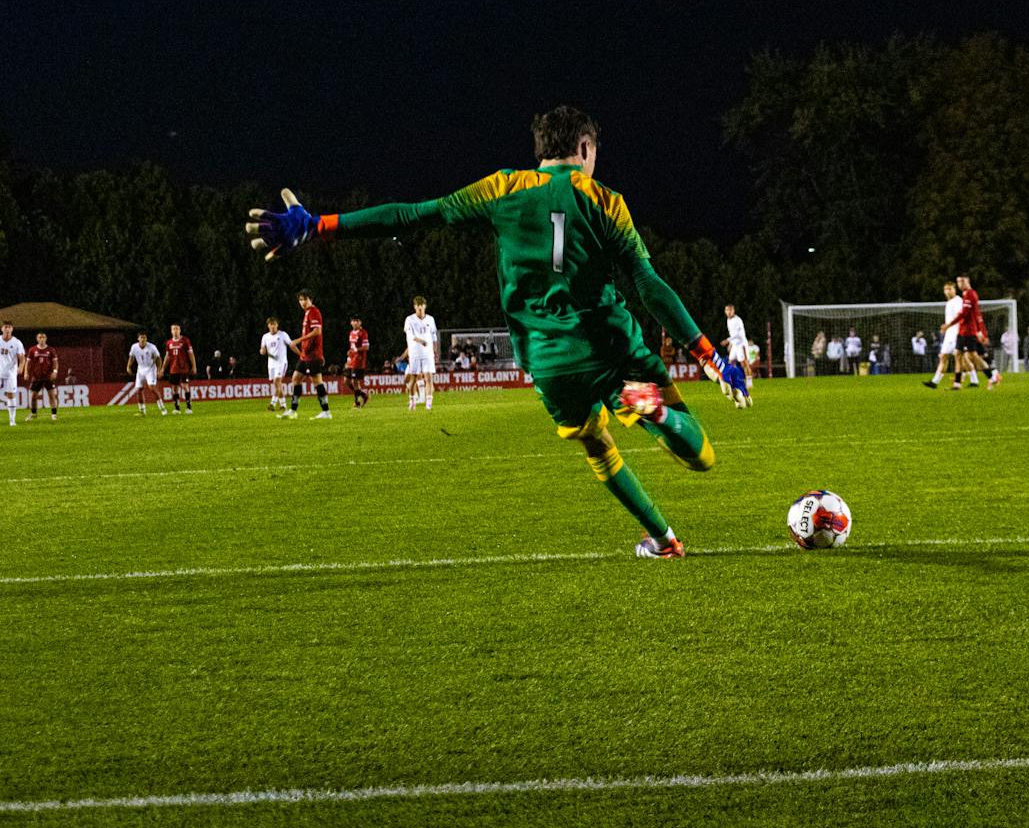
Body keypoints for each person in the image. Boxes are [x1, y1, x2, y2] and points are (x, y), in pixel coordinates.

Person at [246, 104, 747, 558]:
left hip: (550, 363)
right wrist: (709, 356)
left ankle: (662, 540)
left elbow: (412, 215)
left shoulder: (502, 189)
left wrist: (320, 225)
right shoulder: (606, 201)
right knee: (700, 455)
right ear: (586, 148)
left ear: (539, 152)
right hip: (613, 350)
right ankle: (645, 403)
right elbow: (649, 285)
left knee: (596, 445)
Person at [284, 290, 332, 419]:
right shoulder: (307, 313)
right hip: (305, 355)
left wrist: (298, 341)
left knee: (317, 381)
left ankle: (326, 412)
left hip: (313, 354)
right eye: (300, 300)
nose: (302, 302)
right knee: (296, 379)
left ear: (310, 299)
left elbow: (317, 331)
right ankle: (293, 411)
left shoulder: (314, 312)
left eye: (304, 299)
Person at [955, 274, 1000, 388]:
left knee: (974, 356)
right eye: (958, 282)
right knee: (963, 355)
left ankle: (992, 375)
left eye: (962, 281)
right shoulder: (966, 294)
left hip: (970, 332)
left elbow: (973, 315)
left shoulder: (970, 294)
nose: (960, 284)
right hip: (967, 331)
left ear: (967, 281)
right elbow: (976, 315)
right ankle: (962, 381)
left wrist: (981, 332)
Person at [925, 281, 964, 389]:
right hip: (949, 335)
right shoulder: (949, 303)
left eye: (950, 289)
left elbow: (960, 317)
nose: (947, 291)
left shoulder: (958, 301)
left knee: (960, 358)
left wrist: (949, 326)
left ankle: (958, 383)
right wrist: (946, 329)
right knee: (943, 357)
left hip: (957, 334)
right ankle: (935, 382)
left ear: (954, 289)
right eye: (946, 289)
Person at [403, 295, 439, 411]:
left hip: (428, 353)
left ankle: (428, 404)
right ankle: (412, 400)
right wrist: (421, 341)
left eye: (422, 305)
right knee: (413, 379)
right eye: (418, 305)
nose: (420, 308)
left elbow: (434, 336)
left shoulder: (430, 319)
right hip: (415, 353)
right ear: (414, 307)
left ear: (425, 306)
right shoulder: (410, 319)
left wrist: (435, 350)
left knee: (428, 377)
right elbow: (410, 336)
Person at [126, 330, 167, 416]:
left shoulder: (152, 347)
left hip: (150, 369)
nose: (143, 339)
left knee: (152, 388)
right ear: (138, 338)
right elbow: (132, 357)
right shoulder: (134, 347)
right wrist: (128, 366)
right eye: (141, 337)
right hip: (140, 369)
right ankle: (142, 411)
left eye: (144, 337)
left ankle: (162, 408)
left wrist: (159, 370)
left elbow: (158, 358)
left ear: (146, 338)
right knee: (139, 390)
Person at [260, 316, 294, 413]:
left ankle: (283, 405)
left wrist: (300, 354)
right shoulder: (265, 337)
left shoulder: (283, 334)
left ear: (277, 325)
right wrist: (262, 351)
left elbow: (291, 344)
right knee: (276, 384)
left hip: (281, 363)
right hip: (271, 364)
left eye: (274, 324)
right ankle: (273, 404)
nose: (273, 326)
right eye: (271, 324)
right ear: (268, 326)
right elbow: (262, 349)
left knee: (277, 382)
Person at [24, 332, 60, 422]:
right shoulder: (32, 350)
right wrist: (26, 373)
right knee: (33, 397)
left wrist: (55, 371)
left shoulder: (51, 350)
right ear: (37, 339)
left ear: (46, 338)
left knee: (52, 396)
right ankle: (33, 414)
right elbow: (28, 363)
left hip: (48, 376)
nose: (42, 339)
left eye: (43, 337)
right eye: (40, 337)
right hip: (36, 377)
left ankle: (54, 414)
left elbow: (55, 362)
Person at [162, 323, 197, 414]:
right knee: (174, 388)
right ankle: (177, 408)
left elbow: (191, 354)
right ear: (171, 331)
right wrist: (163, 368)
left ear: (180, 330)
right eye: (173, 329)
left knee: (185, 386)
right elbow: (167, 356)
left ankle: (189, 407)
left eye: (177, 329)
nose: (175, 331)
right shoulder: (169, 342)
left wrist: (194, 366)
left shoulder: (185, 340)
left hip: (183, 368)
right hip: (173, 369)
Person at [721, 304, 753, 396]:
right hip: (735, 344)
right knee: (731, 362)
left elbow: (739, 334)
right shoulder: (728, 320)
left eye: (730, 310)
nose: (729, 312)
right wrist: (731, 344)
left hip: (741, 343)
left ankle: (749, 382)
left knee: (744, 363)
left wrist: (728, 340)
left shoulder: (737, 320)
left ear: (733, 311)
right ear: (725, 311)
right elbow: (732, 333)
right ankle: (735, 381)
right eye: (727, 310)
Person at [0, 322, 25, 427]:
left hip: (10, 373)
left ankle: (12, 421)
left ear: (12, 329)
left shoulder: (17, 342)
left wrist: (21, 367)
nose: (7, 329)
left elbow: (22, 358)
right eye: (6, 327)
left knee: (11, 395)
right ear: (2, 328)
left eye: (9, 327)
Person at [344, 316, 371, 409]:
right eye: (353, 321)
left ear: (360, 323)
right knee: (346, 381)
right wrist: (350, 352)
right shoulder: (351, 333)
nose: (355, 323)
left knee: (354, 381)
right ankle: (363, 395)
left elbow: (366, 347)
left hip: (359, 361)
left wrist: (356, 349)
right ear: (351, 323)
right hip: (351, 360)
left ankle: (357, 403)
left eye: (357, 321)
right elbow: (352, 347)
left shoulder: (363, 333)